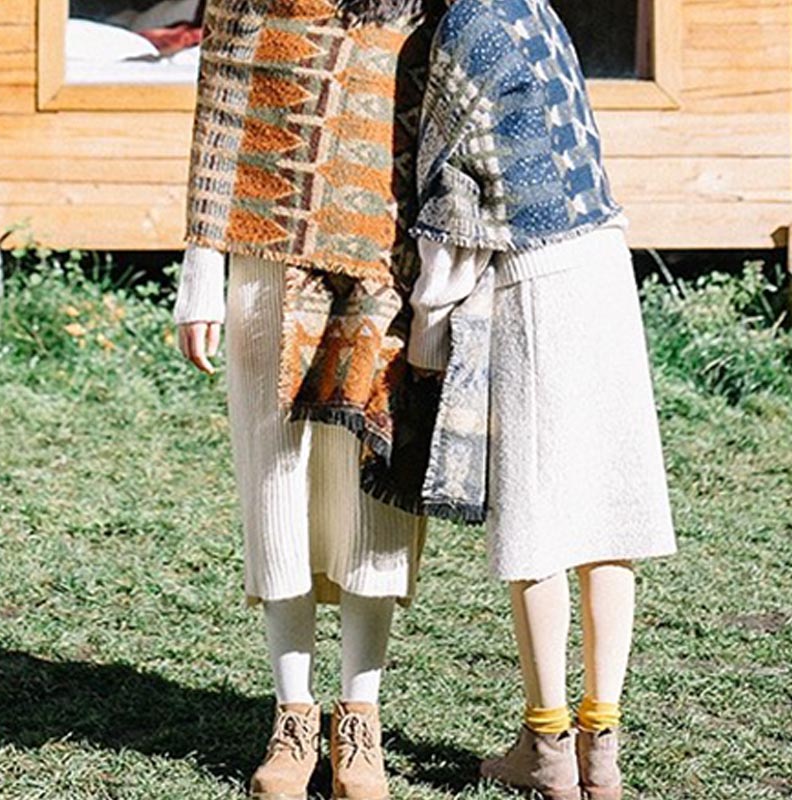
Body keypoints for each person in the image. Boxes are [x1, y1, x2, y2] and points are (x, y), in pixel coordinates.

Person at [407, 0, 678, 798]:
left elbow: (454, 204)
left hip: (534, 280)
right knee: (608, 517)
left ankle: (548, 747)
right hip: (605, 263)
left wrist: (427, 329)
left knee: (537, 522)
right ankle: (603, 751)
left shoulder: (462, 29)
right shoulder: (540, 12)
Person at [172, 0, 439, 798]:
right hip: (265, 254)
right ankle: (293, 715)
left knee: (371, 500)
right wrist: (198, 271)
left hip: (384, 266)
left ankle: (360, 715)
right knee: (275, 487)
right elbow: (219, 112)